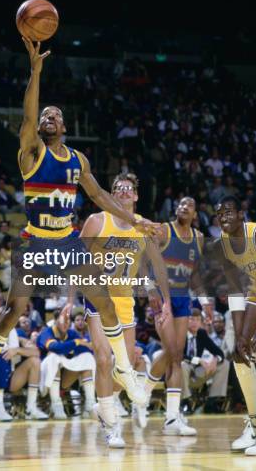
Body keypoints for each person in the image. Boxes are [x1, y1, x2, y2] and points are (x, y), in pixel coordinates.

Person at [0, 38, 158, 424]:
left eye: (55, 115)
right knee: (13, 310)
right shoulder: (31, 152)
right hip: (35, 240)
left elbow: (100, 196)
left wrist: (137, 220)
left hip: (67, 239)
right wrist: (35, 71)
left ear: (64, 126)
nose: (48, 117)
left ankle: (127, 374)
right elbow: (28, 116)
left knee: (105, 302)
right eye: (45, 115)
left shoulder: (78, 160)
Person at [80, 173, 170, 446]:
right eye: (117, 189)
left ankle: (103, 404)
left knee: (126, 366)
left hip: (125, 300)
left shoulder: (142, 226)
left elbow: (144, 263)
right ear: (111, 194)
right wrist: (69, 300)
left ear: (136, 195)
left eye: (128, 189)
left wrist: (153, 290)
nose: (123, 192)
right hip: (97, 297)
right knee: (104, 358)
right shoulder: (97, 220)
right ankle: (111, 424)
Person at [143, 197, 210, 436]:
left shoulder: (198, 239)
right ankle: (146, 395)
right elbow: (145, 262)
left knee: (177, 356)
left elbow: (195, 276)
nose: (184, 207)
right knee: (171, 351)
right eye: (180, 204)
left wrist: (204, 301)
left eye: (189, 205)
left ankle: (171, 416)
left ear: (195, 214)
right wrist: (150, 290)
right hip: (162, 298)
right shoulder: (163, 230)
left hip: (183, 298)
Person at [209, 196, 256, 456]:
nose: (224, 216)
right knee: (241, 356)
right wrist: (240, 334)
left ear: (241, 214)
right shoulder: (223, 245)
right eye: (219, 214)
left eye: (229, 211)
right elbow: (234, 289)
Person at [0, 313, 48, 421]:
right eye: (2, 319)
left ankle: (30, 408)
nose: (6, 322)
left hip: (11, 377)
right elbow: (3, 352)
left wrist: (17, 350)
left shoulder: (17, 334)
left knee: (35, 361)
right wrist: (14, 350)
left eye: (9, 319)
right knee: (2, 356)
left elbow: (36, 352)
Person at [37, 308, 95, 419]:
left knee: (87, 358)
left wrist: (74, 345)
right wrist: (76, 343)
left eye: (68, 321)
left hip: (62, 377)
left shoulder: (71, 333)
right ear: (56, 321)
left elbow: (86, 350)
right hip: (43, 376)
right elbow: (55, 347)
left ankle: (90, 404)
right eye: (64, 320)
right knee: (54, 357)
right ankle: (56, 404)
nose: (66, 324)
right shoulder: (47, 333)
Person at [181, 308, 229, 412]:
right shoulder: (180, 333)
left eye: (198, 320)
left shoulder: (201, 333)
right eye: (191, 319)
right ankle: (185, 402)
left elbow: (218, 351)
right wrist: (199, 360)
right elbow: (178, 355)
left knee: (224, 363)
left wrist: (215, 360)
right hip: (182, 374)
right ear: (185, 321)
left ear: (201, 323)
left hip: (198, 372)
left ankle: (211, 402)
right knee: (182, 365)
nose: (195, 322)